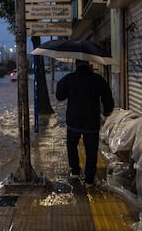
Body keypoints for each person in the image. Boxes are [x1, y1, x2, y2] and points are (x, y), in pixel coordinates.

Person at [56, 59, 114, 187]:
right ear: (88, 64)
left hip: (73, 121)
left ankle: (75, 171)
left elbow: (59, 96)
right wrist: (107, 111)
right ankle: (89, 179)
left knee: (72, 146)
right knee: (91, 151)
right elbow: (107, 97)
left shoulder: (69, 78)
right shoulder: (97, 79)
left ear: (76, 64)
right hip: (91, 121)